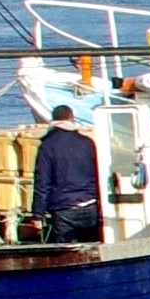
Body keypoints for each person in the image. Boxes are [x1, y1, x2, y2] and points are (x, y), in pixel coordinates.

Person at [29, 104, 105, 244]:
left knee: (66, 251)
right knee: (92, 248)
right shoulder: (88, 143)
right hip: (91, 205)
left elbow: (43, 183)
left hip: (63, 209)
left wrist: (38, 214)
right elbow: (99, 175)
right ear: (71, 118)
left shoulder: (48, 146)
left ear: (53, 120)